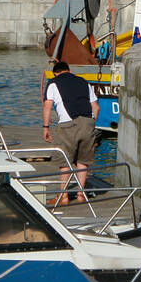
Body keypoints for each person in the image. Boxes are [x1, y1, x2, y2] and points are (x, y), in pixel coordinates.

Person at [42, 60, 100, 205]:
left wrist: (45, 127)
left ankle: (64, 196)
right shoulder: (83, 82)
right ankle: (81, 195)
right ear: (69, 70)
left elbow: (47, 106)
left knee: (64, 160)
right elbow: (96, 108)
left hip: (68, 125)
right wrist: (91, 124)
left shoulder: (53, 83)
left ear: (56, 72)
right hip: (88, 123)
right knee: (83, 160)